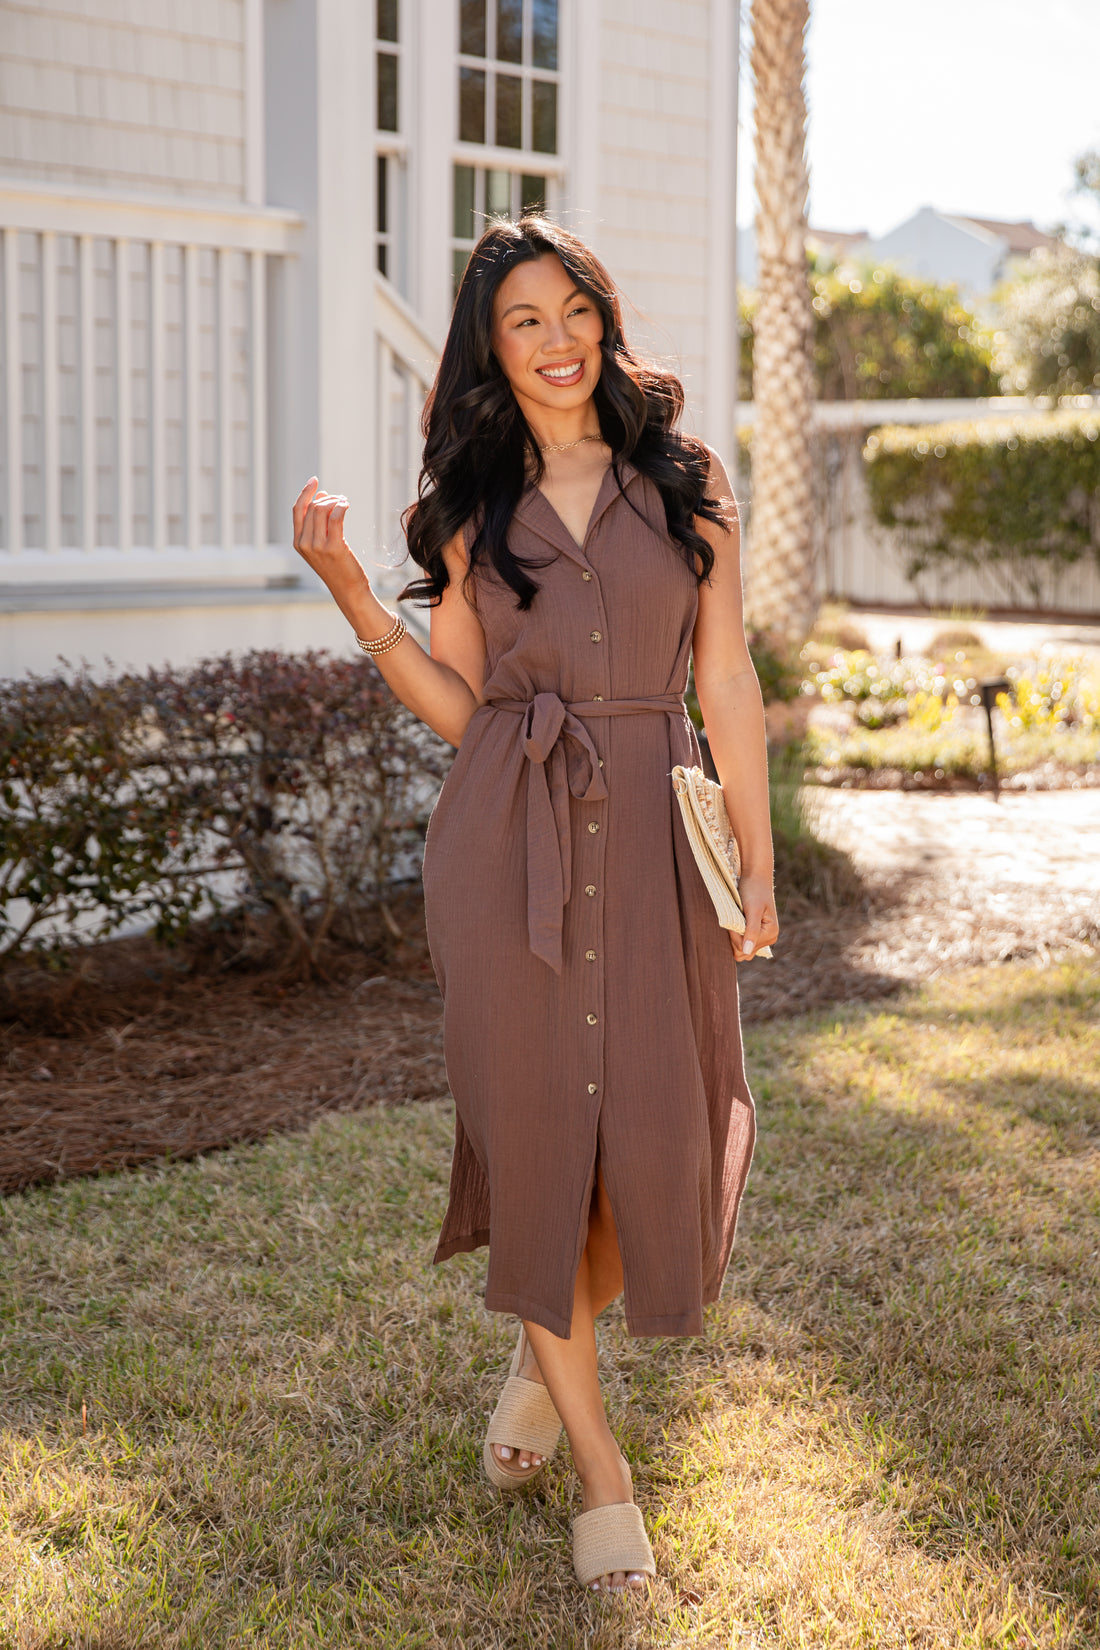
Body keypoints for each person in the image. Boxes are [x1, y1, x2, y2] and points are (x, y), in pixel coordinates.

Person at [291, 216, 779, 1595]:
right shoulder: (468, 509)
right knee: (539, 1158)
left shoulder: (686, 481)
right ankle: (604, 1482)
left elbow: (725, 680)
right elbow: (463, 707)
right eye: (525, 320)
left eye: (575, 310)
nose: (558, 340)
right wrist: (350, 595)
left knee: (654, 1150)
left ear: (604, 322)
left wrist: (756, 853)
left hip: (659, 840)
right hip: (509, 843)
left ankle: (533, 1357)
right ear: (488, 349)